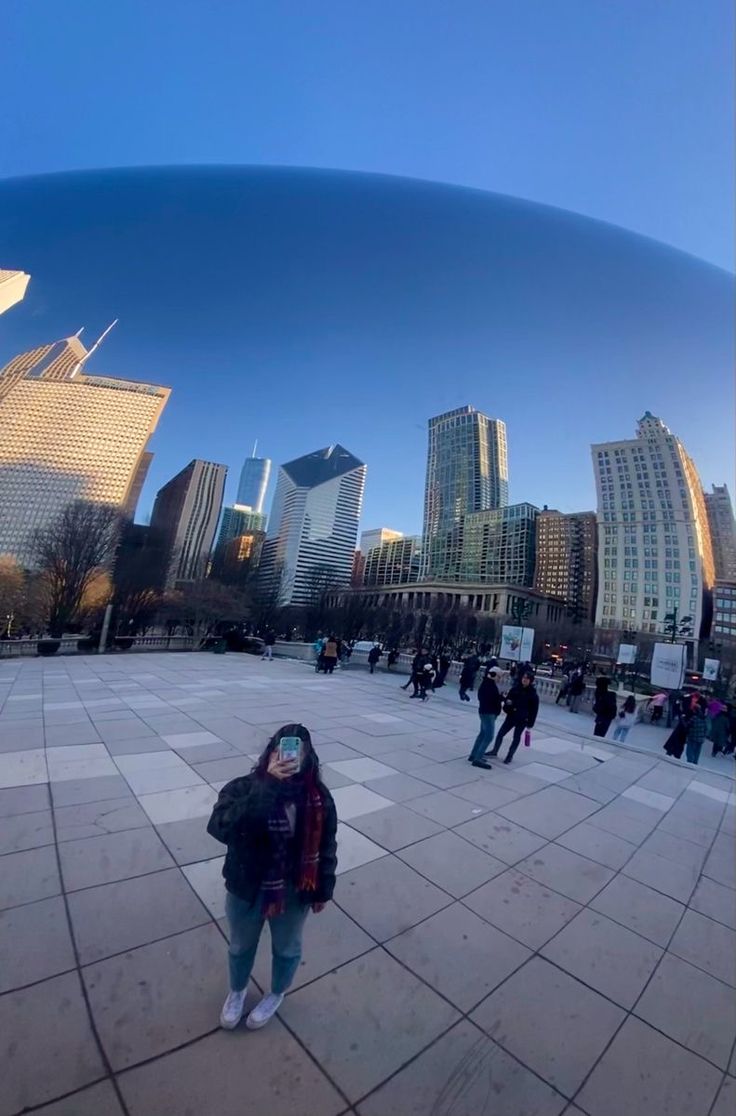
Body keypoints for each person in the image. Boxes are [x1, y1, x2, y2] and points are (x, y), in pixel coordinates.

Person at [207, 723, 337, 1031]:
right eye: (282, 750)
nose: (289, 758)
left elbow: (327, 844)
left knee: (287, 948)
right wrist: (266, 789)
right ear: (271, 752)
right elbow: (221, 828)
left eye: (297, 752)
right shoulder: (244, 787)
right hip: (246, 887)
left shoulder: (318, 797)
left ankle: (276, 993)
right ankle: (237, 992)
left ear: (308, 757)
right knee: (240, 946)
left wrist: (323, 890)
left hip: (293, 892)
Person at [489, 669, 539, 764]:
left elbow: (534, 711)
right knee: (500, 734)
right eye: (524, 678)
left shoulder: (533, 695)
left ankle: (510, 755)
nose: (524, 680)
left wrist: (530, 723)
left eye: (527, 679)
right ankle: (494, 751)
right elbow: (508, 700)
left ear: (530, 681)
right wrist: (508, 706)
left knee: (516, 738)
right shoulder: (515, 689)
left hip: (522, 719)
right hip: (511, 715)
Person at [468, 665, 503, 768]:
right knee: (488, 736)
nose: (499, 679)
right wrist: (500, 698)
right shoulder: (490, 686)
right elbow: (492, 700)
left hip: (484, 711)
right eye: (499, 677)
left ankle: (474, 755)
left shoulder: (486, 684)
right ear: (494, 675)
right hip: (488, 713)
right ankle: (477, 759)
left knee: (482, 734)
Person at [685, 698, 707, 765]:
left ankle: (690, 761)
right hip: (701, 738)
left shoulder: (694, 718)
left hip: (693, 736)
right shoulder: (703, 718)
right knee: (697, 751)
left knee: (690, 750)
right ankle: (695, 762)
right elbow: (706, 728)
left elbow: (687, 725)